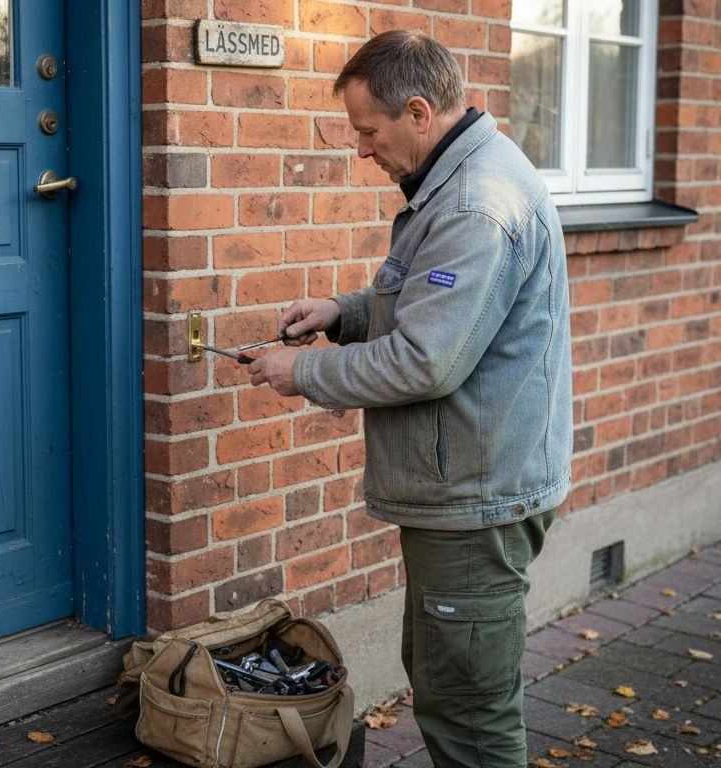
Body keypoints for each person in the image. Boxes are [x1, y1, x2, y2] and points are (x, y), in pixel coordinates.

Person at [246, 29, 573, 767]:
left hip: (475, 492)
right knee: (445, 681)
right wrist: (343, 312)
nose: (362, 150)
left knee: (469, 713)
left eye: (368, 131)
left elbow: (426, 362)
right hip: (467, 482)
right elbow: (433, 308)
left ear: (419, 112)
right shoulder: (462, 180)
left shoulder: (472, 206)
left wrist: (299, 372)